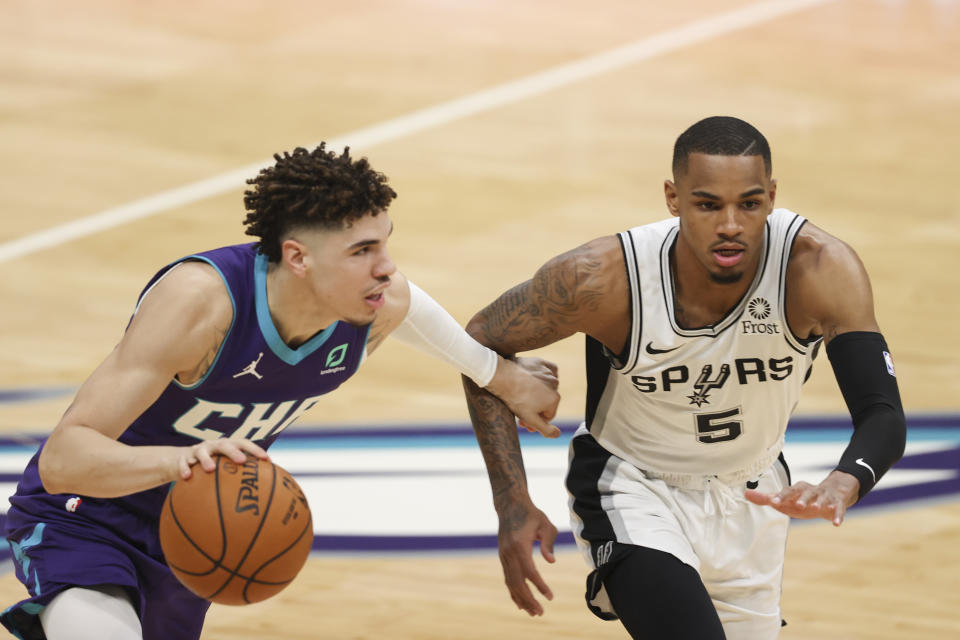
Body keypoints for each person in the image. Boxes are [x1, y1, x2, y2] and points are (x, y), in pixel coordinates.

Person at [1, 143, 561, 640]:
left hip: (192, 528)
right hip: (84, 515)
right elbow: (63, 460)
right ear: (298, 257)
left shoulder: (373, 304)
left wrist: (501, 375)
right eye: (362, 250)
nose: (387, 268)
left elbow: (413, 307)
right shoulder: (200, 304)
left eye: (386, 244)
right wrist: (182, 461)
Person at [461, 116, 906, 639]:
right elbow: (482, 342)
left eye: (750, 203)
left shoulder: (818, 268)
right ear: (673, 198)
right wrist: (512, 502)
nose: (731, 226)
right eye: (708, 204)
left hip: (753, 497)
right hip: (633, 486)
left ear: (772, 195)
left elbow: (883, 412)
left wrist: (845, 480)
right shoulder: (601, 278)